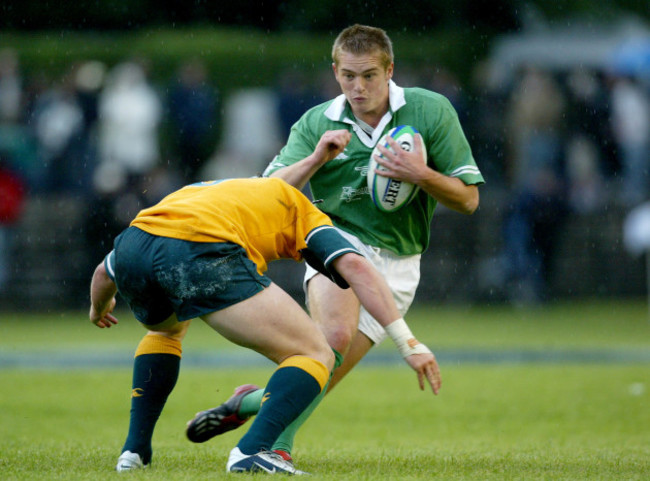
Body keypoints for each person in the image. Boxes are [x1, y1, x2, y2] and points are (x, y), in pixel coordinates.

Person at [187, 24, 482, 462]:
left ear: (389, 71)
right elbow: (267, 192)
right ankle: (272, 450)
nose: (358, 87)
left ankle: (248, 403)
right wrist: (316, 158)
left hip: (401, 260)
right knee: (333, 339)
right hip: (335, 242)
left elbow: (469, 199)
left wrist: (418, 174)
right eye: (347, 76)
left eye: (368, 76)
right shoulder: (316, 122)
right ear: (335, 71)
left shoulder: (430, 110)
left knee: (327, 371)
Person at [88, 176, 441, 474]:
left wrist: (98, 308)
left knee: (165, 330)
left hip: (135, 245)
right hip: (201, 249)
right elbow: (357, 268)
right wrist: (406, 342)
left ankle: (133, 453)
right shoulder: (306, 212)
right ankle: (252, 451)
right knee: (316, 352)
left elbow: (105, 272)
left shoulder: (215, 191)